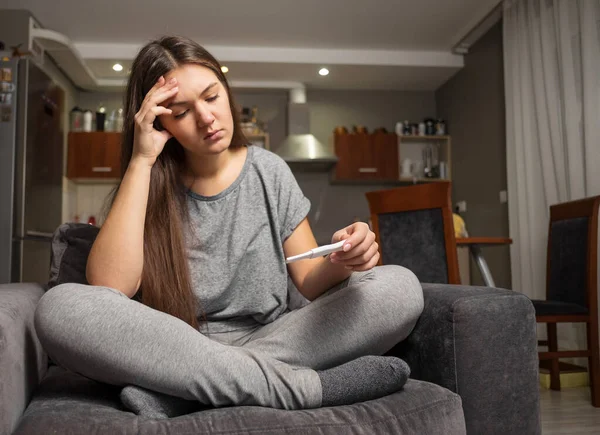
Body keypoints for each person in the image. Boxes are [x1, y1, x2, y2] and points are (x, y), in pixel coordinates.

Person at [34, 36, 424, 419]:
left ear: (226, 91)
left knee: (400, 288)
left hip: (273, 338)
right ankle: (303, 388)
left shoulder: (270, 170)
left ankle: (186, 394)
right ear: (155, 119)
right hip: (176, 351)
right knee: (58, 307)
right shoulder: (145, 182)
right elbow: (110, 288)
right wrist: (140, 160)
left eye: (211, 96)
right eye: (180, 111)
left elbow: (309, 280)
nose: (206, 118)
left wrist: (345, 259)